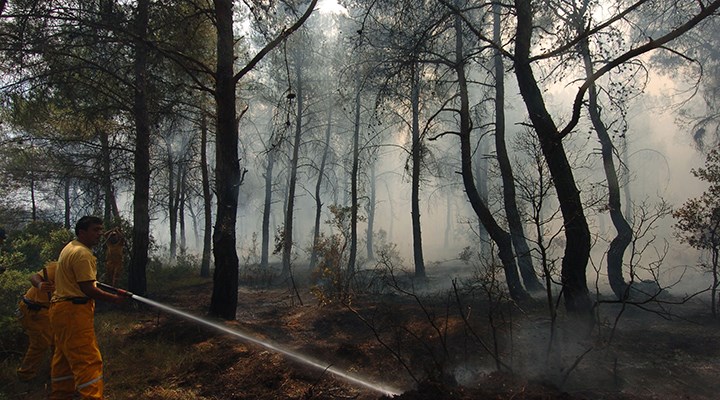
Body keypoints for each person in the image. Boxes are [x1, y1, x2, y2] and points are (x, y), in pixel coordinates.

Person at [49, 216, 128, 400]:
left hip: (60, 310)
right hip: (73, 311)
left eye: (101, 230)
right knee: (88, 359)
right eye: (95, 230)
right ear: (81, 232)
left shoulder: (70, 247)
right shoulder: (82, 254)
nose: (99, 234)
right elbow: (88, 289)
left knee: (63, 359)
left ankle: (61, 395)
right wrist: (114, 299)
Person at [17, 261, 57, 382]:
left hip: (50, 309)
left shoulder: (79, 274)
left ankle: (56, 372)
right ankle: (25, 375)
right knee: (41, 342)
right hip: (34, 309)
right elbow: (35, 277)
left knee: (57, 341)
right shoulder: (58, 267)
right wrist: (40, 285)